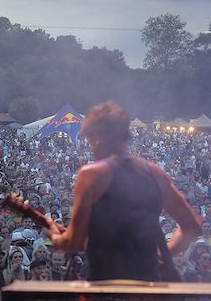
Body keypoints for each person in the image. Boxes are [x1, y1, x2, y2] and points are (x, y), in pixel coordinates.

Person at [50, 101, 202, 281]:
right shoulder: (154, 173)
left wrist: (54, 235)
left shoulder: (92, 174)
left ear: (97, 137)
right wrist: (162, 255)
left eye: (90, 141)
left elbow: (74, 242)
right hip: (147, 291)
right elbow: (192, 226)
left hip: (105, 290)